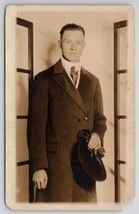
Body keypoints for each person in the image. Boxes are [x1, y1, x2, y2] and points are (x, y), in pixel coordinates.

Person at [27, 23, 107, 202]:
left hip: (85, 164)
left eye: (78, 43)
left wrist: (97, 134)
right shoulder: (44, 79)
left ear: (84, 45)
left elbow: (100, 120)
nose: (73, 47)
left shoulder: (93, 81)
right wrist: (38, 167)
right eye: (68, 41)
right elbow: (36, 128)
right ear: (59, 43)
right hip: (56, 167)